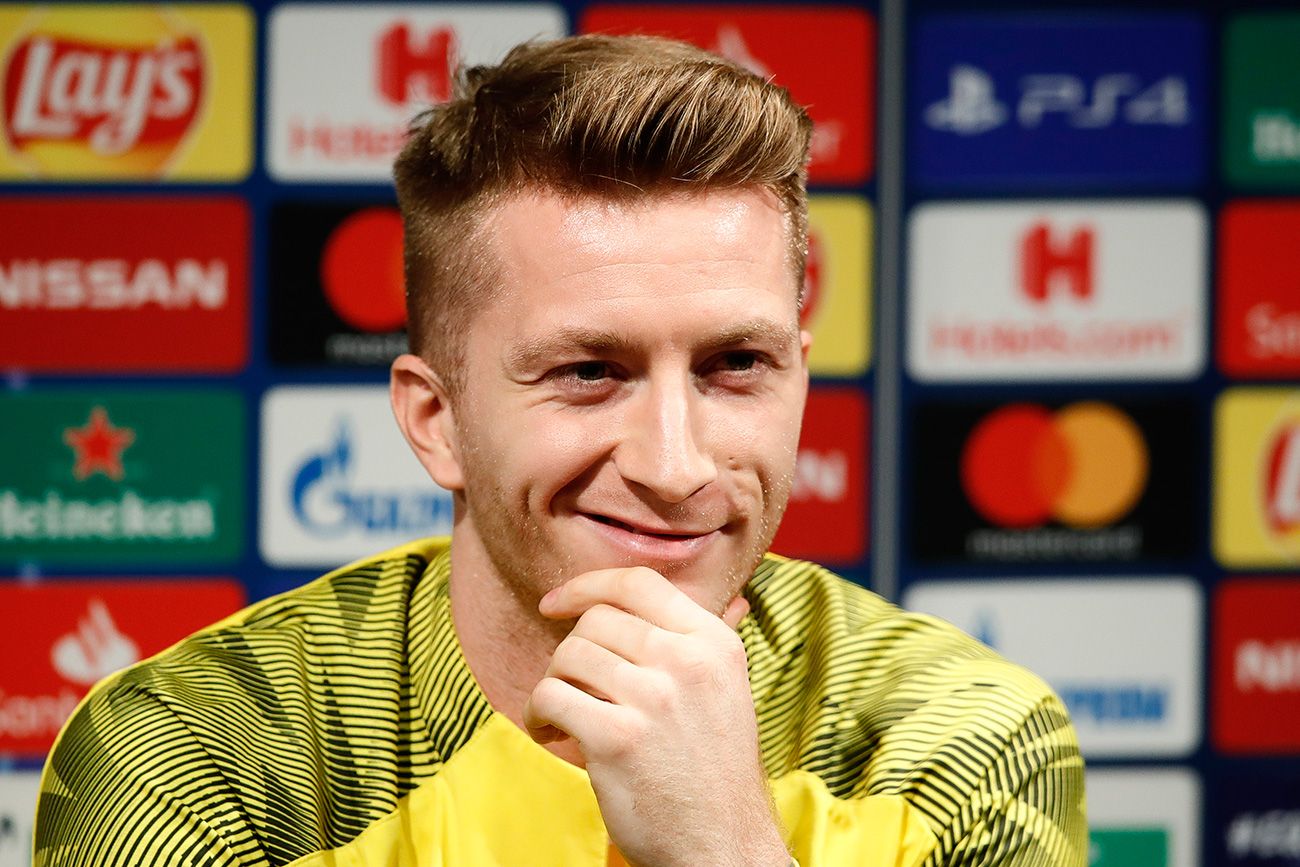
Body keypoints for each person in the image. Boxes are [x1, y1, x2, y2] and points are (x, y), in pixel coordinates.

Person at [34, 34, 1086, 867]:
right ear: (435, 420)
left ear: (800, 378)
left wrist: (724, 848)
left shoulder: (964, 745)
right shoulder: (194, 757)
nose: (675, 466)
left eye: (735, 365)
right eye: (588, 371)